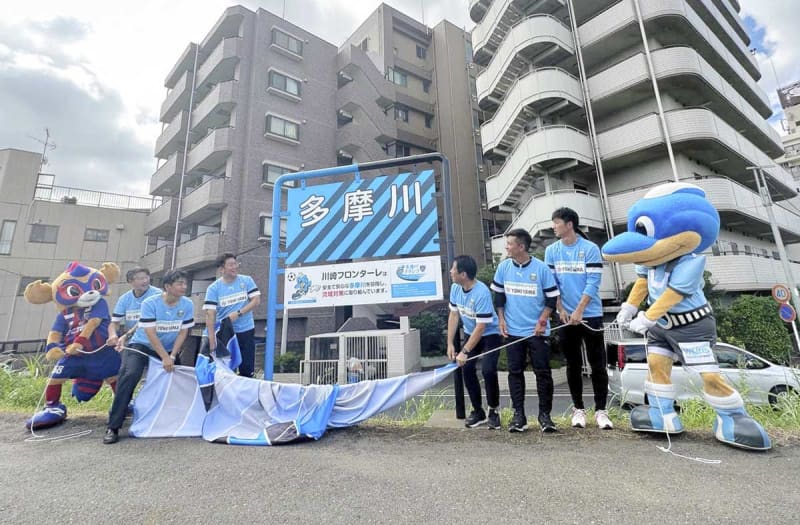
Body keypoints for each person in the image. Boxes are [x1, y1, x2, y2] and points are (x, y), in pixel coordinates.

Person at [104, 269, 194, 444]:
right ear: (168, 286)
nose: (184, 286)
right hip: (142, 345)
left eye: (185, 283)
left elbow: (184, 332)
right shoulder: (150, 303)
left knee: (180, 379)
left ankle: (178, 420)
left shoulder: (187, 304)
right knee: (129, 375)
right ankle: (113, 426)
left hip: (169, 349)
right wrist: (165, 358)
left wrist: (173, 356)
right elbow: (150, 333)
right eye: (180, 284)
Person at [544, 207, 612, 430]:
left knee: (597, 364)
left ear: (569, 224)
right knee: (572, 364)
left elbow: (593, 282)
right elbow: (552, 285)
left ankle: (601, 411)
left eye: (556, 223)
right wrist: (560, 309)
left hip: (590, 315)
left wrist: (580, 310)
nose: (553, 227)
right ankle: (578, 409)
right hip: (565, 317)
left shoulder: (590, 248)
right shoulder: (551, 251)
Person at [491, 228, 560, 433]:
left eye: (510, 244)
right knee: (515, 373)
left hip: (537, 331)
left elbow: (551, 298)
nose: (507, 247)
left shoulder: (541, 269)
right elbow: (499, 297)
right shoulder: (503, 268)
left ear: (521, 246)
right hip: (513, 330)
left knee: (543, 373)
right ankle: (518, 415)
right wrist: (501, 320)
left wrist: (542, 320)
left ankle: (545, 416)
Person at [447, 255, 502, 429]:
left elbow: (482, 327)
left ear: (463, 274)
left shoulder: (481, 292)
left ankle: (493, 411)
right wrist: (450, 343)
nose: (450, 272)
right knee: (467, 369)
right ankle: (478, 411)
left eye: (453, 269)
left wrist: (465, 351)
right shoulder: (456, 288)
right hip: (472, 334)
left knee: (488, 370)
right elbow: (454, 315)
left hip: (489, 334)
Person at [203, 253, 261, 377]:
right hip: (225, 333)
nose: (234, 267)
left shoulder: (246, 280)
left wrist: (239, 313)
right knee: (226, 369)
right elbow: (210, 314)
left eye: (235, 264)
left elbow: (256, 300)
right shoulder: (213, 288)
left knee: (247, 368)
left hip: (246, 330)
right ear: (222, 269)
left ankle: (246, 393)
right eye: (230, 265)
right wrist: (212, 339)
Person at [106, 267, 162, 349]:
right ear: (130, 281)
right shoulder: (124, 298)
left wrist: (126, 336)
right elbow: (115, 322)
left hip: (156, 342)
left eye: (146, 277)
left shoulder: (157, 295)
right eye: (140, 278)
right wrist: (112, 334)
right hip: (133, 342)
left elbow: (143, 322)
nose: (145, 281)